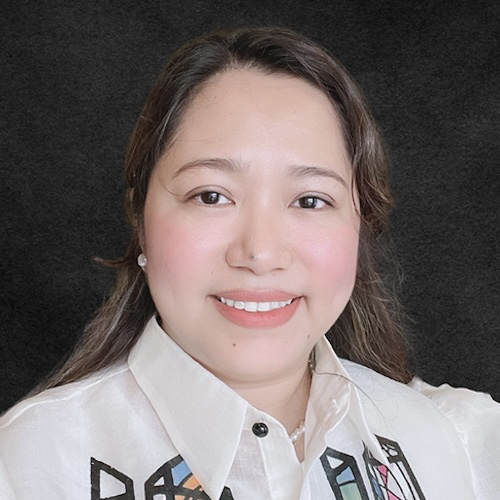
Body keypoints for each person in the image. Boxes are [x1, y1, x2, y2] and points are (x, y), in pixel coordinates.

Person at [0, 26, 498, 500]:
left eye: (309, 200)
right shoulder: (32, 467)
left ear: (359, 224)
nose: (260, 253)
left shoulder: (456, 448)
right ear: (140, 221)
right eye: (211, 196)